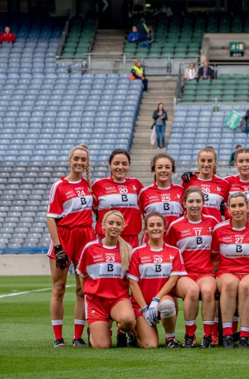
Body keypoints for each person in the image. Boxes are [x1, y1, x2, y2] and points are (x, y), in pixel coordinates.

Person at [47, 144, 95, 347]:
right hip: (65, 237)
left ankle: (78, 336)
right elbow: (51, 218)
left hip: (85, 237)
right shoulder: (60, 185)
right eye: (76, 158)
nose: (79, 162)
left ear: (87, 163)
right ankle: (58, 337)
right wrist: (58, 247)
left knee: (82, 290)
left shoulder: (90, 185)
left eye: (83, 160)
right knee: (58, 288)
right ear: (69, 160)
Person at [164, 187, 219, 348]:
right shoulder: (175, 226)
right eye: (191, 201)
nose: (194, 205)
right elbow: (169, 253)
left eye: (198, 201)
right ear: (184, 204)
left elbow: (216, 253)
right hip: (183, 274)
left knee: (209, 291)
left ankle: (208, 336)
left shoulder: (212, 223)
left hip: (205, 273)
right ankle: (190, 334)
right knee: (192, 290)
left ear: (203, 203)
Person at [213, 192, 249, 349]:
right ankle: (228, 334)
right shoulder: (219, 230)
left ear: (248, 207)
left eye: (240, 205)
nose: (237, 209)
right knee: (230, 284)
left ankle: (244, 335)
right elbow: (214, 257)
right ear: (228, 210)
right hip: (227, 271)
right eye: (234, 206)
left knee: (245, 286)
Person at [77, 211, 135, 349]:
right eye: (111, 223)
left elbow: (131, 280)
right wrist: (90, 293)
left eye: (118, 224)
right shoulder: (90, 248)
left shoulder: (128, 250)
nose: (114, 226)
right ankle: (95, 330)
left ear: (123, 227)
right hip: (96, 301)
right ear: (103, 226)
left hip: (118, 299)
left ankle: (120, 331)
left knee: (127, 320)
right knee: (102, 346)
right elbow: (82, 275)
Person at [128, 212, 186, 349]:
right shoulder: (137, 252)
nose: (155, 228)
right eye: (151, 225)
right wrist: (144, 308)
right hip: (141, 304)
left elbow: (172, 281)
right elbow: (132, 283)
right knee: (151, 345)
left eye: (159, 225)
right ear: (146, 229)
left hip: (161, 300)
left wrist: (156, 300)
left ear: (165, 228)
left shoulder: (174, 252)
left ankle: (170, 338)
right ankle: (134, 333)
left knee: (167, 306)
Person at [92, 150, 143, 246]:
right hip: (105, 237)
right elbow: (95, 209)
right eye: (116, 163)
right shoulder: (98, 185)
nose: (120, 167)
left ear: (129, 165)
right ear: (110, 165)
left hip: (130, 238)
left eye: (124, 164)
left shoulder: (136, 184)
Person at [181, 147, 229, 222]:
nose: (206, 164)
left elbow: (226, 209)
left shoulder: (223, 183)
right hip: (192, 228)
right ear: (198, 162)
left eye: (210, 161)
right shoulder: (188, 181)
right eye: (203, 160)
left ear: (215, 162)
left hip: (215, 228)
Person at [139, 154, 185, 227]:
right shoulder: (144, 192)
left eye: (167, 167)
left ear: (172, 170)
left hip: (175, 237)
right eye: (160, 167)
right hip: (152, 237)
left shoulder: (181, 190)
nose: (163, 170)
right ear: (154, 170)